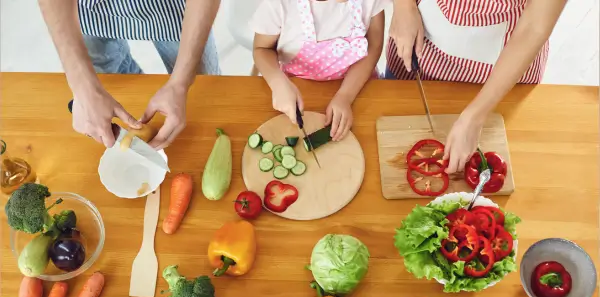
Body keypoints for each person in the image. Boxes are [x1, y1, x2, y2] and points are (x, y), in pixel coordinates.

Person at [387, 0, 567, 173]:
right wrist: (403, 5)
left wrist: (475, 116)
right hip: (421, 44)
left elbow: (535, 27)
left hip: (504, 69)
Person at [38, 0, 221, 149]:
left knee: (205, 90)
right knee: (115, 84)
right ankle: (141, 120)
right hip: (87, 11)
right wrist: (82, 87)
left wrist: (180, 82)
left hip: (176, 7)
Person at [251, 0, 389, 141]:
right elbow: (262, 49)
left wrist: (345, 95)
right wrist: (278, 83)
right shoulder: (278, 4)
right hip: (296, 89)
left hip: (357, 84)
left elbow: (374, 45)